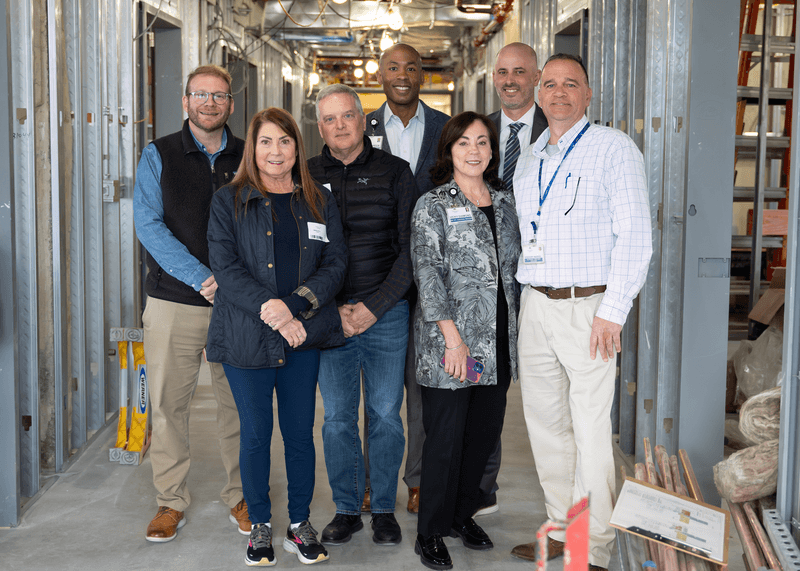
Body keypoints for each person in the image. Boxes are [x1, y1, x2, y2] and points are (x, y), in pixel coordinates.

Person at [512, 54, 652, 570]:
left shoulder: (613, 149)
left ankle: (591, 549)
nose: (559, 93)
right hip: (537, 305)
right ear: (538, 94)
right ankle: (561, 535)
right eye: (549, 84)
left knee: (591, 429)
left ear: (589, 94)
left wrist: (612, 312)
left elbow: (636, 236)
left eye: (571, 84)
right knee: (546, 428)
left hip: (588, 306)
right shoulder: (530, 159)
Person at [206, 107, 347, 566]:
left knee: (299, 434)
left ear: (296, 148)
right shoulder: (229, 201)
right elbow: (225, 268)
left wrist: (295, 306)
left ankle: (300, 524)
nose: (275, 151)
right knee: (255, 434)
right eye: (265, 141)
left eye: (284, 142)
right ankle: (261, 525)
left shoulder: (318, 200)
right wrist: (275, 312)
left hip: (301, 334)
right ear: (252, 147)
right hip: (247, 336)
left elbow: (336, 265)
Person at [133, 64, 248, 542]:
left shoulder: (249, 154)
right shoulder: (158, 154)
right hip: (174, 300)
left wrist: (238, 284)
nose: (209, 103)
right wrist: (201, 277)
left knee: (239, 404)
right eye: (200, 94)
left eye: (218, 95)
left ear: (230, 104)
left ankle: (242, 496)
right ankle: (170, 500)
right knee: (167, 404)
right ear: (185, 102)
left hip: (239, 304)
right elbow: (148, 225)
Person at [410, 111, 521, 571]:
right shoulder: (433, 204)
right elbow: (428, 276)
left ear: (492, 151)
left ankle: (461, 516)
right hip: (454, 347)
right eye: (463, 143)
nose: (473, 150)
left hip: (497, 344)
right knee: (445, 438)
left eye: (481, 142)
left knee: (482, 436)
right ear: (449, 151)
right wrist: (453, 342)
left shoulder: (506, 203)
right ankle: (431, 531)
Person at [308, 83, 417, 547]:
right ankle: (348, 509)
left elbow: (412, 251)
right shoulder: (305, 174)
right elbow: (300, 250)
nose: (339, 126)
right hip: (329, 318)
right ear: (320, 127)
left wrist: (375, 307)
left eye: (346, 116)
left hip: (385, 314)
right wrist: (329, 308)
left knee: (386, 415)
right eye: (329, 119)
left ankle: (385, 510)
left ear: (363, 119)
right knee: (336, 419)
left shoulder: (396, 171)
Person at [364, 42, 450, 514]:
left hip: (430, 282)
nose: (402, 75)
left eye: (411, 68)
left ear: (423, 75)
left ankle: (417, 479)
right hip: (376, 281)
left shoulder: (442, 130)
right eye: (393, 67)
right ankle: (373, 481)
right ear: (380, 75)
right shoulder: (362, 127)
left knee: (422, 389)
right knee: (376, 394)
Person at [474, 41, 549, 519]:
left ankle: (568, 511)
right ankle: (482, 490)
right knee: (488, 388)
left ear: (536, 76)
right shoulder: (477, 132)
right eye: (502, 71)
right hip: (488, 287)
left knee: (547, 402)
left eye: (519, 71)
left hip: (544, 284)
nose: (509, 80)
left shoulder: (558, 130)